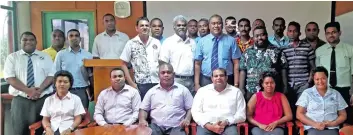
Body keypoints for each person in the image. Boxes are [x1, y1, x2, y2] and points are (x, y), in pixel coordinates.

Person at [4, 31, 54, 135]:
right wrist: (28, 91)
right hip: (20, 101)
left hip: (42, 99)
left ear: (36, 42)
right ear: (20, 42)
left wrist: (39, 91)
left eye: (31, 40)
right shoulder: (12, 58)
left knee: (42, 130)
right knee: (20, 131)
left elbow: (51, 75)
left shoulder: (45, 57)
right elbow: (10, 78)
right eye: (25, 39)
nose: (28, 42)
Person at [139, 63, 193, 135]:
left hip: (177, 127)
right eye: (163, 73)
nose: (166, 75)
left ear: (173, 74)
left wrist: (187, 119)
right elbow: (143, 109)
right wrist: (142, 119)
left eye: (169, 72)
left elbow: (191, 108)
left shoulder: (183, 90)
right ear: (158, 75)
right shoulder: (151, 91)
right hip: (156, 127)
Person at [315, 22, 353, 124]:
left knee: (346, 120)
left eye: (334, 32)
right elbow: (318, 74)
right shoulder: (319, 51)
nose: (331, 35)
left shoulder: (350, 49)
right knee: (329, 119)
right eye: (328, 33)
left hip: (344, 90)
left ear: (339, 33)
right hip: (326, 91)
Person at [192, 68, 246, 135]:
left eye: (221, 75)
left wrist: (227, 122)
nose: (218, 78)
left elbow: (242, 115)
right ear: (212, 78)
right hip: (207, 125)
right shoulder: (202, 91)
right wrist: (209, 126)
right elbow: (195, 112)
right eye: (216, 76)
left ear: (226, 77)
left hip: (228, 125)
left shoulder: (236, 92)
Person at [239, 26, 288, 101]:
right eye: (257, 36)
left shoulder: (277, 51)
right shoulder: (247, 52)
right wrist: (241, 88)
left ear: (267, 35)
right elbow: (243, 70)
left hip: (272, 91)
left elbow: (283, 69)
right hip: (251, 91)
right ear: (253, 37)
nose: (259, 38)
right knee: (251, 112)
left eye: (262, 35)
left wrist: (285, 87)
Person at [194, 14, 242, 91]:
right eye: (213, 23)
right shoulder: (202, 41)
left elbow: (236, 63)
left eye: (219, 23)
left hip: (227, 79)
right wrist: (196, 83)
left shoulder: (231, 41)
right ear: (209, 26)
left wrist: (236, 84)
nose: (216, 26)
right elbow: (197, 63)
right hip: (206, 79)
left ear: (222, 25)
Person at [296, 66, 348, 135]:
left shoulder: (335, 93)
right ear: (313, 80)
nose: (320, 81)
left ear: (327, 78)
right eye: (317, 79)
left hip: (331, 128)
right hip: (312, 128)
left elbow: (343, 115)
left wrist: (333, 123)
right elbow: (299, 114)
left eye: (323, 78)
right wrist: (315, 124)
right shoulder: (307, 93)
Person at [120, 17, 161, 100]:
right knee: (142, 110)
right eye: (142, 25)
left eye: (146, 25)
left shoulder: (156, 42)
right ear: (137, 28)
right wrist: (131, 83)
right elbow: (123, 63)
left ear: (149, 28)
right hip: (140, 84)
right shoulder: (131, 43)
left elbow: (162, 63)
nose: (144, 27)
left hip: (157, 82)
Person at [54, 29, 93, 109]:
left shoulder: (88, 55)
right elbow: (56, 74)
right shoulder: (61, 55)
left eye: (76, 35)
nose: (74, 38)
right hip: (65, 90)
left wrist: (92, 91)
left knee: (82, 116)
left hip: (82, 91)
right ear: (67, 39)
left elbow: (91, 75)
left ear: (80, 39)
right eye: (71, 36)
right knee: (66, 116)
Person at [159, 15, 196, 95]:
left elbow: (196, 63)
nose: (181, 27)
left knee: (191, 106)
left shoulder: (193, 42)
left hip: (191, 81)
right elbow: (163, 63)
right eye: (179, 25)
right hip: (175, 80)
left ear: (187, 27)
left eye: (184, 25)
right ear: (174, 27)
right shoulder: (168, 42)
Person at [41, 70, 85, 135]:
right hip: (52, 130)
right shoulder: (48, 100)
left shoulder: (76, 99)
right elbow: (45, 119)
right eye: (59, 81)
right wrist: (48, 129)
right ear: (55, 84)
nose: (62, 84)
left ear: (70, 84)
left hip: (69, 130)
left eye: (65, 82)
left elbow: (78, 118)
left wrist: (70, 128)